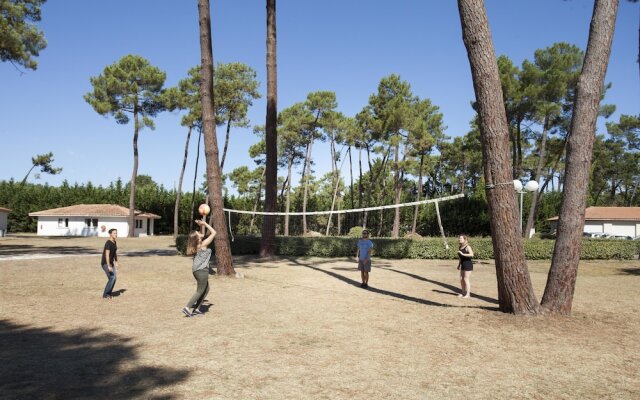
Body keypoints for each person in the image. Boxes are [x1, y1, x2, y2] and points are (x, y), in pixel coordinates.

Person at [182, 219, 216, 317]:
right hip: (202, 271)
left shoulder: (197, 245)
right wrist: (205, 224)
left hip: (196, 270)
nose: (200, 232)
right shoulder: (203, 244)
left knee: (206, 289)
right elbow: (214, 232)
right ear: (197, 238)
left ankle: (197, 308)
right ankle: (187, 307)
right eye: (198, 232)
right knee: (200, 290)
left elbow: (203, 234)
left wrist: (201, 224)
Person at [101, 228, 119, 299]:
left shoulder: (114, 242)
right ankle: (106, 295)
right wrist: (108, 265)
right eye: (114, 233)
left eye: (116, 233)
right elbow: (107, 255)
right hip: (105, 263)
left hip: (111, 263)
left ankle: (108, 293)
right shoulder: (108, 243)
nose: (116, 234)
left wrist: (116, 262)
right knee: (112, 277)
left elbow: (114, 253)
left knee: (114, 278)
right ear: (110, 234)